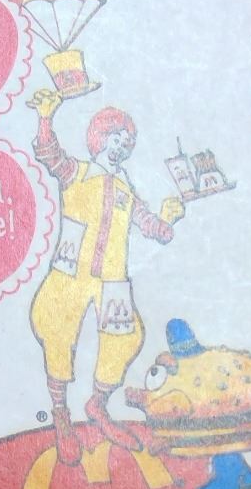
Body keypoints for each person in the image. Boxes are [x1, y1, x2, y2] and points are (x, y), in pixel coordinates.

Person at [29, 94, 184, 464]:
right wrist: (46, 117)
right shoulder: (77, 172)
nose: (121, 146)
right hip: (71, 271)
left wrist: (168, 217)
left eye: (127, 142)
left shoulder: (126, 190)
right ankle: (61, 414)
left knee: (125, 338)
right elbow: (49, 153)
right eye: (116, 138)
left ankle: (97, 404)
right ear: (99, 138)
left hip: (111, 280)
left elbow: (153, 228)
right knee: (57, 329)